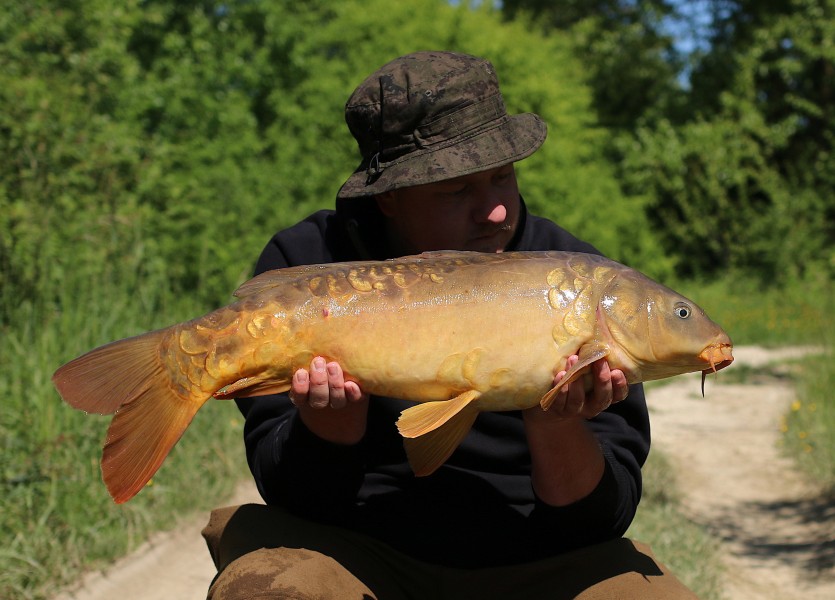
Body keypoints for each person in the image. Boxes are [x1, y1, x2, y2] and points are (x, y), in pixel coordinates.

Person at [202, 51, 698, 599]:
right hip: (358, 549)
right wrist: (332, 428)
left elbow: (600, 523)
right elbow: (295, 499)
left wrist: (555, 425)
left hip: (537, 557)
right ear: (388, 196)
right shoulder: (307, 267)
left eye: (502, 177)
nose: (493, 212)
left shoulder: (584, 286)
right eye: (456, 190)